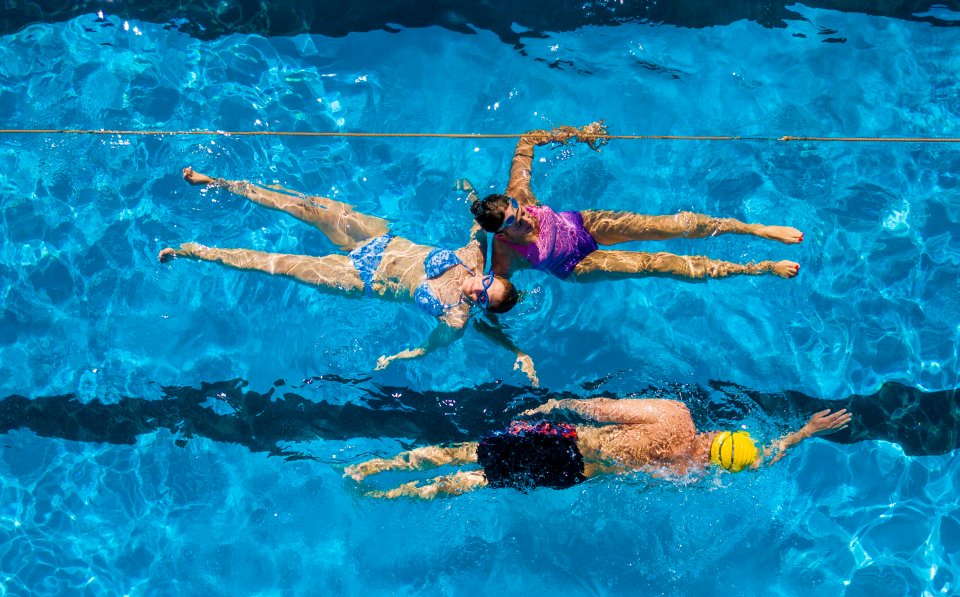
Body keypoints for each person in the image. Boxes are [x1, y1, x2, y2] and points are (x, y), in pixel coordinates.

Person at [160, 168, 539, 380]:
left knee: (274, 263)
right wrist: (469, 190)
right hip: (378, 238)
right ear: (490, 276)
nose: (477, 292)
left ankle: (190, 252)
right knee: (303, 206)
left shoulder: (455, 317)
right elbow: (481, 222)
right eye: (486, 286)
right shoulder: (472, 256)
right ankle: (217, 180)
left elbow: (428, 347)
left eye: (482, 301)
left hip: (359, 277)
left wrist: (396, 358)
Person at [466, 122, 803, 282]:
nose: (526, 218)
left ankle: (756, 229)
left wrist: (578, 133)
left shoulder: (520, 195)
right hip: (576, 265)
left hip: (583, 223)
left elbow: (526, 140)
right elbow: (498, 289)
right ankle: (758, 268)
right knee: (653, 264)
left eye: (520, 211)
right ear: (503, 234)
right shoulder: (505, 254)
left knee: (673, 225)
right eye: (516, 222)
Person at [345, 396, 851, 499]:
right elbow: (764, 460)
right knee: (481, 480)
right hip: (575, 474)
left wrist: (553, 406)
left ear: (719, 435)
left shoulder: (676, 415)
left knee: (468, 452)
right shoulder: (690, 474)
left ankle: (379, 467)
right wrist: (802, 433)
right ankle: (388, 497)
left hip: (564, 440)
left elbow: (603, 408)